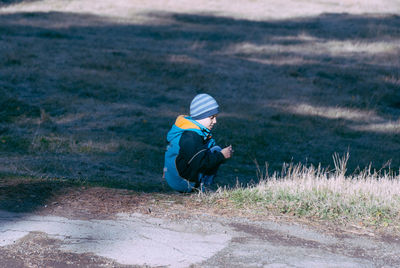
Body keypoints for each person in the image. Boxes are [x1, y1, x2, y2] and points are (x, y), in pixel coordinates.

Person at [163, 93, 233, 192]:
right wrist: (221, 156)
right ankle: (202, 188)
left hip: (177, 176)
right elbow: (201, 163)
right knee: (216, 151)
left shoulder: (192, 129)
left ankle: (200, 186)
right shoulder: (191, 137)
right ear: (200, 116)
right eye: (211, 117)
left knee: (214, 150)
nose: (215, 121)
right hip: (183, 181)